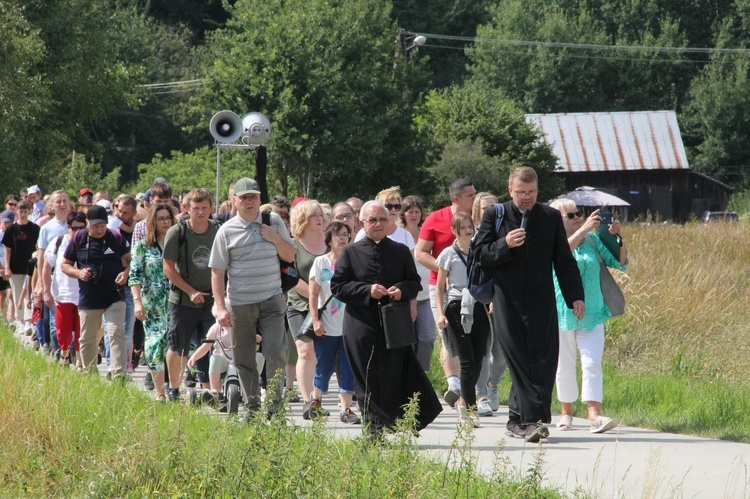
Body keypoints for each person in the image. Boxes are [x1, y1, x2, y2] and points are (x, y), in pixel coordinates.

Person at [473, 166, 585, 442]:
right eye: (521, 193)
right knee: (520, 359)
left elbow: (563, 259)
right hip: (505, 300)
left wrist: (575, 296)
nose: (526, 198)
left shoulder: (549, 217)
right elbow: (479, 255)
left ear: (538, 191)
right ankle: (532, 420)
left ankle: (516, 420)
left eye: (531, 192)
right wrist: (504, 244)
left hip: (541, 300)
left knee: (543, 359)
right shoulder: (495, 214)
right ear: (510, 190)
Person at [331, 201, 442, 439]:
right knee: (367, 376)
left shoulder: (400, 250)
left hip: (394, 324)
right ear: (362, 224)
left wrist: (401, 290)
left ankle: (393, 423)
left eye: (383, 219)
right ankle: (372, 429)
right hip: (361, 325)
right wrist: (367, 291)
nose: (379, 224)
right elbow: (338, 287)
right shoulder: (351, 252)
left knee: (393, 374)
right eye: (373, 220)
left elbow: (414, 283)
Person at [210, 177, 296, 418]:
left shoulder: (274, 221)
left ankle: (275, 408)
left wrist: (275, 238)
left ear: (259, 199)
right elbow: (217, 271)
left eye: (253, 197)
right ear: (234, 201)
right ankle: (252, 406)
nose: (249, 202)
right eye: (244, 197)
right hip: (239, 303)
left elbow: (290, 256)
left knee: (275, 351)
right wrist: (220, 307)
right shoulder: (226, 231)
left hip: (271, 298)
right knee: (244, 356)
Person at [549, 199, 628, 434]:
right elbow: (560, 255)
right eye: (570, 215)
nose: (577, 218)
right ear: (557, 220)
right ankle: (566, 412)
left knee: (592, 363)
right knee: (564, 365)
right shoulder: (552, 242)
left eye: (578, 214)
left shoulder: (592, 241)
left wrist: (617, 237)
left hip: (593, 311)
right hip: (562, 311)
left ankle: (594, 415)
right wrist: (582, 229)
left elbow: (619, 263)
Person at [415, 179, 476, 407]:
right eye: (470, 195)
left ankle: (472, 391)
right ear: (456, 199)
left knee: (473, 340)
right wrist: (445, 271)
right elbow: (420, 253)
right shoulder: (435, 219)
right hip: (441, 287)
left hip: (473, 290)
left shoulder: (479, 218)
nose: (475, 199)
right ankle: (454, 384)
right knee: (447, 335)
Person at [61, 204, 131, 378]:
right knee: (87, 338)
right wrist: (79, 273)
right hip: (89, 297)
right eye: (96, 226)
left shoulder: (116, 237)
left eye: (103, 226)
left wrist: (126, 273)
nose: (100, 230)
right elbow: (64, 265)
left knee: (115, 332)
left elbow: (131, 261)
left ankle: (118, 375)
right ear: (87, 223)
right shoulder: (78, 239)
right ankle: (90, 375)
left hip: (115, 294)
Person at [162, 188, 220, 401]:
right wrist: (191, 291)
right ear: (187, 209)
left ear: (211, 208)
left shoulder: (218, 230)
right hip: (183, 300)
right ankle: (174, 388)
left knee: (211, 344)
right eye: (196, 208)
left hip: (212, 299)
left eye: (205, 208)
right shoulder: (178, 232)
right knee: (177, 345)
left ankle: (210, 390)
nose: (201, 212)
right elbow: (167, 268)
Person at [434, 212, 490, 428]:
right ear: (455, 231)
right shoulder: (448, 254)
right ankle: (469, 411)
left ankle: (464, 401)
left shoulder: (479, 252)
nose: (468, 230)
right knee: (466, 360)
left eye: (470, 226)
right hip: (456, 305)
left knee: (478, 358)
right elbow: (440, 287)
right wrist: (440, 313)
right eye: (463, 227)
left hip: (478, 304)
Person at [308, 221, 360, 424]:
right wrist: (315, 320)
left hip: (350, 326)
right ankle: (316, 401)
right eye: (337, 235)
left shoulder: (355, 261)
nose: (342, 238)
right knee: (325, 365)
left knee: (348, 367)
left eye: (346, 234)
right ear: (329, 239)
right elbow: (313, 295)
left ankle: (346, 409)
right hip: (327, 325)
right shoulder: (320, 263)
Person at [129, 204, 176, 402]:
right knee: (155, 346)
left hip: (176, 303)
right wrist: (137, 302)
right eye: (160, 218)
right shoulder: (143, 246)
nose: (165, 221)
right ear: (152, 222)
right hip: (153, 305)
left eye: (168, 218)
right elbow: (134, 276)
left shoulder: (178, 244)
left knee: (176, 346)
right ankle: (160, 393)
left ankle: (175, 388)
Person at [285, 200, 328, 419]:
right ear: (303, 219)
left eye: (320, 214)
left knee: (325, 355)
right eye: (314, 215)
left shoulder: (330, 242)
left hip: (329, 307)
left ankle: (322, 399)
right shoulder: (293, 245)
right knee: (306, 351)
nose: (319, 218)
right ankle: (308, 401)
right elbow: (291, 278)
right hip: (300, 305)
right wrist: (315, 294)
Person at [470, 192, 508, 417]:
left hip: (502, 298)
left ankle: (493, 386)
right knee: (481, 350)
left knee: (501, 352)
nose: (491, 211)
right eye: (486, 208)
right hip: (478, 297)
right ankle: (481, 395)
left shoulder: (505, 232)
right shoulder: (472, 234)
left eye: (494, 207)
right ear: (477, 212)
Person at [45, 211, 88, 368]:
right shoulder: (59, 242)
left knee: (81, 329)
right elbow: (46, 266)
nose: (77, 232)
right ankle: (64, 354)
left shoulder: (90, 243)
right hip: (63, 292)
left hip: (84, 294)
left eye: (81, 228)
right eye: (74, 228)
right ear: (68, 227)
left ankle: (79, 360)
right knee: (63, 329)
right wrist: (44, 290)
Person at [400, 195, 435, 371]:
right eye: (410, 211)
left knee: (427, 337)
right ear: (403, 214)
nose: (414, 215)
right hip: (405, 296)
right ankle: (407, 374)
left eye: (417, 211)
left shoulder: (427, 232)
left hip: (427, 294)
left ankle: (422, 374)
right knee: (408, 339)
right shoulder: (398, 234)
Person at [37, 190, 71, 357]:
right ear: (52, 205)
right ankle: (58, 354)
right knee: (54, 321)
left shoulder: (77, 224)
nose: (62, 204)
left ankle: (72, 354)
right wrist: (42, 287)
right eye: (58, 201)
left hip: (73, 279)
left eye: (65, 200)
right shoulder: (46, 228)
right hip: (53, 279)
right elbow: (41, 259)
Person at [2, 200, 40, 334]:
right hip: (15, 266)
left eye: (25, 211)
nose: (23, 214)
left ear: (29, 211)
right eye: (20, 211)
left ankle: (30, 320)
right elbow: (7, 249)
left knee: (29, 293)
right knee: (17, 293)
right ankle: (20, 321)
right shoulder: (11, 229)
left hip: (31, 267)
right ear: (17, 212)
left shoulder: (35, 228)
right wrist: (7, 267)